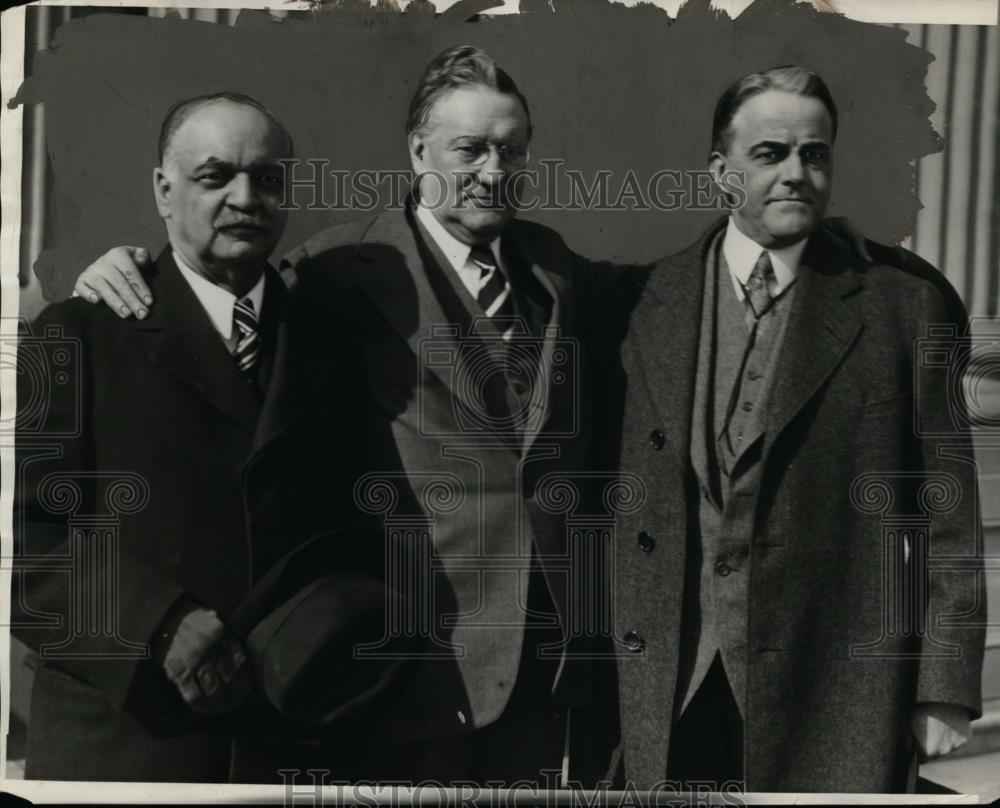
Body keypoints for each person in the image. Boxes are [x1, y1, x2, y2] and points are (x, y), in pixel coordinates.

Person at [66, 46, 616, 787]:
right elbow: (216, 305)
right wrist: (120, 274)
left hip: (542, 668)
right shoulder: (334, 271)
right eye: (470, 149)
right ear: (419, 151)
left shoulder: (554, 269)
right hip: (403, 660)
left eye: (511, 150)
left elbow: (672, 293)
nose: (494, 169)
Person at [595, 65, 986, 792]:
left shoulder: (903, 306)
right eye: (770, 154)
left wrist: (943, 683)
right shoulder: (646, 298)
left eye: (815, 153)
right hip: (674, 676)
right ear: (721, 171)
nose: (796, 174)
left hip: (833, 675)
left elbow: (947, 509)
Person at [12, 92, 300, 781]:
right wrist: (159, 624)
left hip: (287, 750)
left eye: (266, 179)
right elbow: (29, 552)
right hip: (126, 748)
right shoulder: (77, 334)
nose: (245, 197)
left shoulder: (329, 338)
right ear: (163, 191)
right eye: (214, 176)